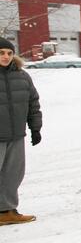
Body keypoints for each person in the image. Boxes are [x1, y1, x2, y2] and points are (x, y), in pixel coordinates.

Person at [0, 37, 41, 226]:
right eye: (1, 53)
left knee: (13, 174)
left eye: (9, 53)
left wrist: (35, 128)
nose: (6, 56)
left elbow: (33, 103)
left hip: (16, 135)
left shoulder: (22, 76)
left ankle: (7, 211)